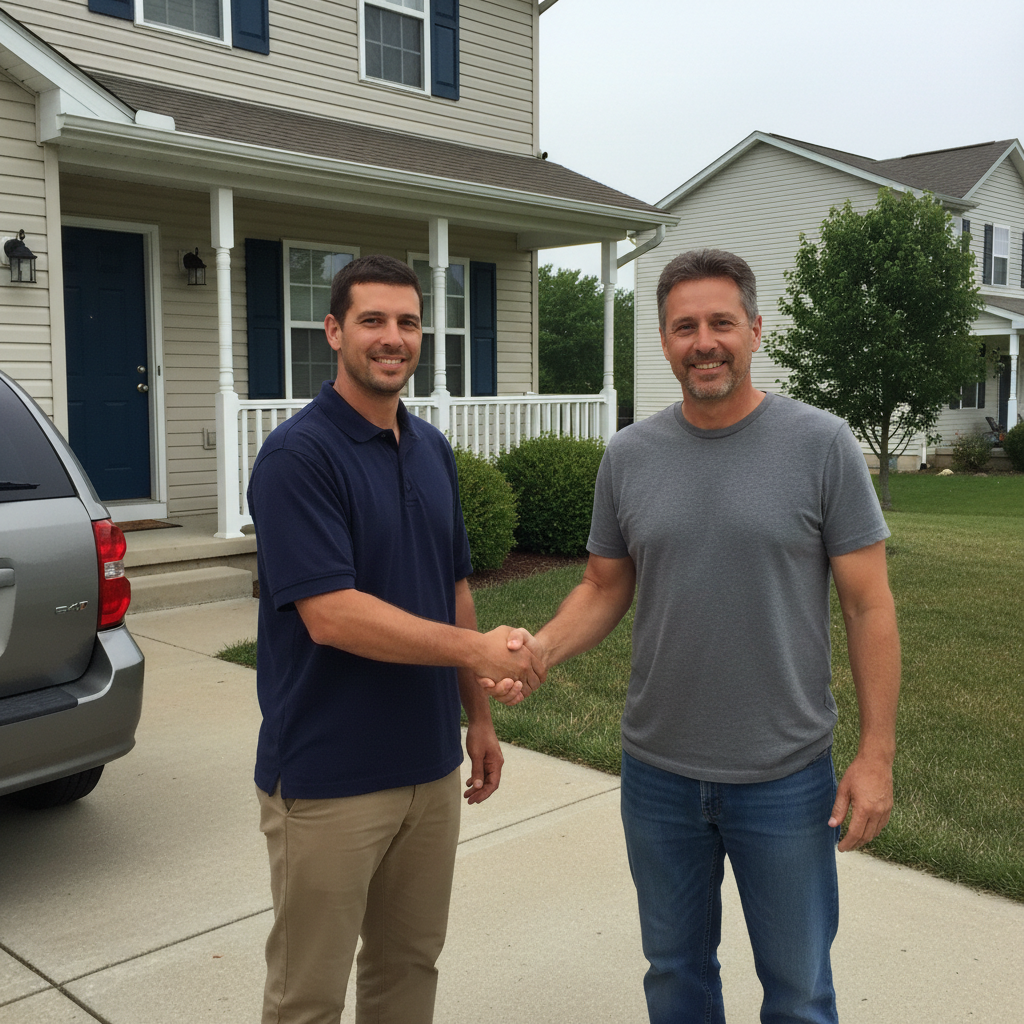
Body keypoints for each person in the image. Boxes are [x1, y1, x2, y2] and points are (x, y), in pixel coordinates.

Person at [504, 249, 900, 1023]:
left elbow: (869, 607)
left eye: (721, 322)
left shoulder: (821, 445)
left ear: (755, 331)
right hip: (658, 775)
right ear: (663, 343)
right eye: (684, 327)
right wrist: (543, 649)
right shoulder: (628, 455)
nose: (704, 341)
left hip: (785, 775)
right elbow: (603, 584)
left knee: (799, 990)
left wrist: (875, 757)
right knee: (676, 975)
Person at [247, 253, 541, 1024]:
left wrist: (476, 716)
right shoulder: (297, 456)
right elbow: (331, 614)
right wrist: (475, 654)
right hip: (328, 775)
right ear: (334, 330)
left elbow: (455, 591)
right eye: (373, 320)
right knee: (307, 996)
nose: (393, 337)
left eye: (408, 322)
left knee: (409, 968)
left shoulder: (432, 449)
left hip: (428, 764)